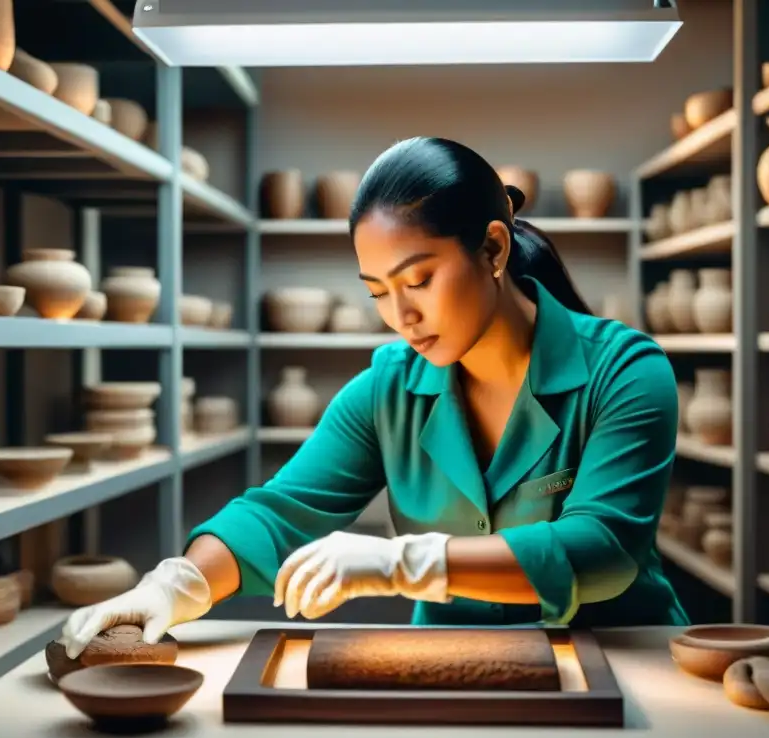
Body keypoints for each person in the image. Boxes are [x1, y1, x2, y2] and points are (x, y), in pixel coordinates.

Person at [61, 136, 688, 659]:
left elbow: (602, 549)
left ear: (493, 249)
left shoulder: (624, 371)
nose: (402, 315)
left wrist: (403, 563)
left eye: (419, 279)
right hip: (449, 664)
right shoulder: (390, 388)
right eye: (378, 292)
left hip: (619, 660)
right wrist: (179, 583)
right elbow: (279, 513)